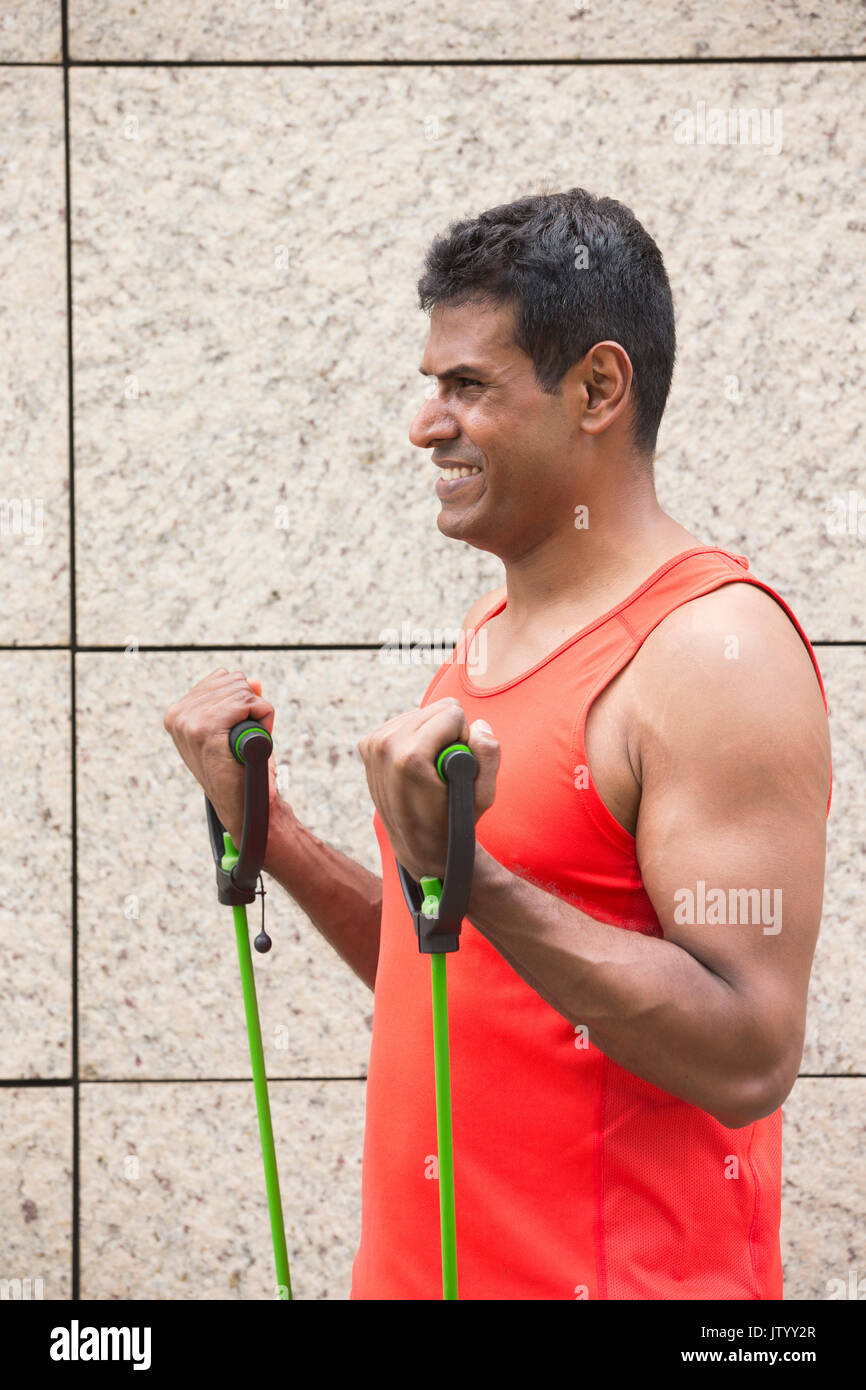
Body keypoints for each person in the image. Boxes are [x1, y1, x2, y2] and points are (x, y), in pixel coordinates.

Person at [165, 188, 831, 1300]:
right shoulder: (487, 638)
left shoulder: (712, 650)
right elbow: (451, 956)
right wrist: (271, 833)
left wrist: (474, 883)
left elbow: (749, 1053)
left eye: (466, 385)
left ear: (596, 389)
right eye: (432, 385)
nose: (426, 423)